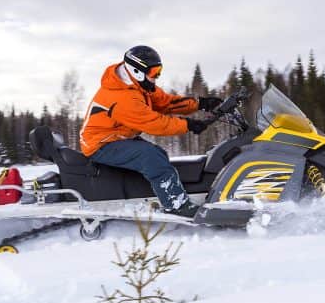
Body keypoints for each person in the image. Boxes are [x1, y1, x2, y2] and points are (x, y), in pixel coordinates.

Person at [79, 45, 223, 217]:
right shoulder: (121, 97)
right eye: (154, 73)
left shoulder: (139, 85)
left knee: (157, 154)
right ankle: (175, 205)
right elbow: (155, 124)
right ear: (137, 71)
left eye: (158, 72)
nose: (156, 78)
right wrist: (188, 125)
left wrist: (201, 103)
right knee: (150, 156)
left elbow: (166, 103)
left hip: (117, 137)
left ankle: (154, 194)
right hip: (99, 143)